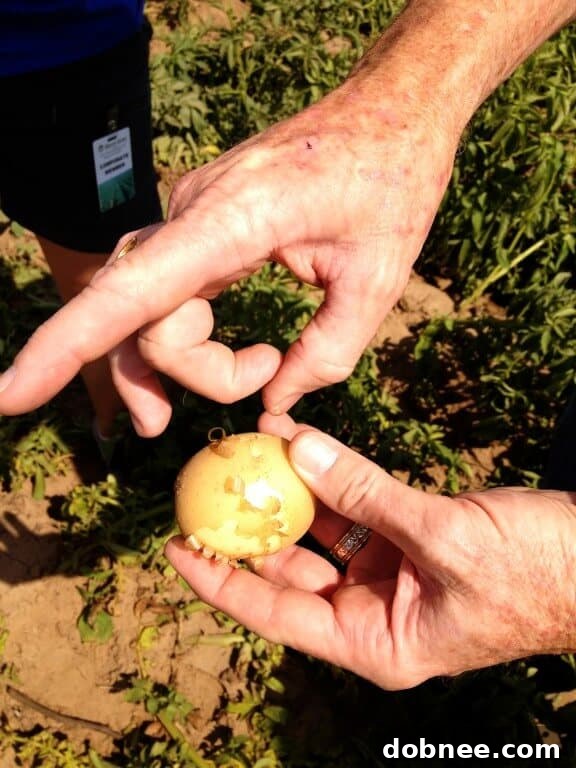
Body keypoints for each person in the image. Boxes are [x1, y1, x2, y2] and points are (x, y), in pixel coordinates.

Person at [0, 0, 575, 686]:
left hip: (61, 46)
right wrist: (397, 113)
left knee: (98, 250)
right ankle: (117, 429)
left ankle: (117, 433)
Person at [0, 1, 162, 454]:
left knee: (107, 279)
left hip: (60, 58)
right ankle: (119, 435)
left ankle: (116, 428)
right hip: (63, 50)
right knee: (107, 284)